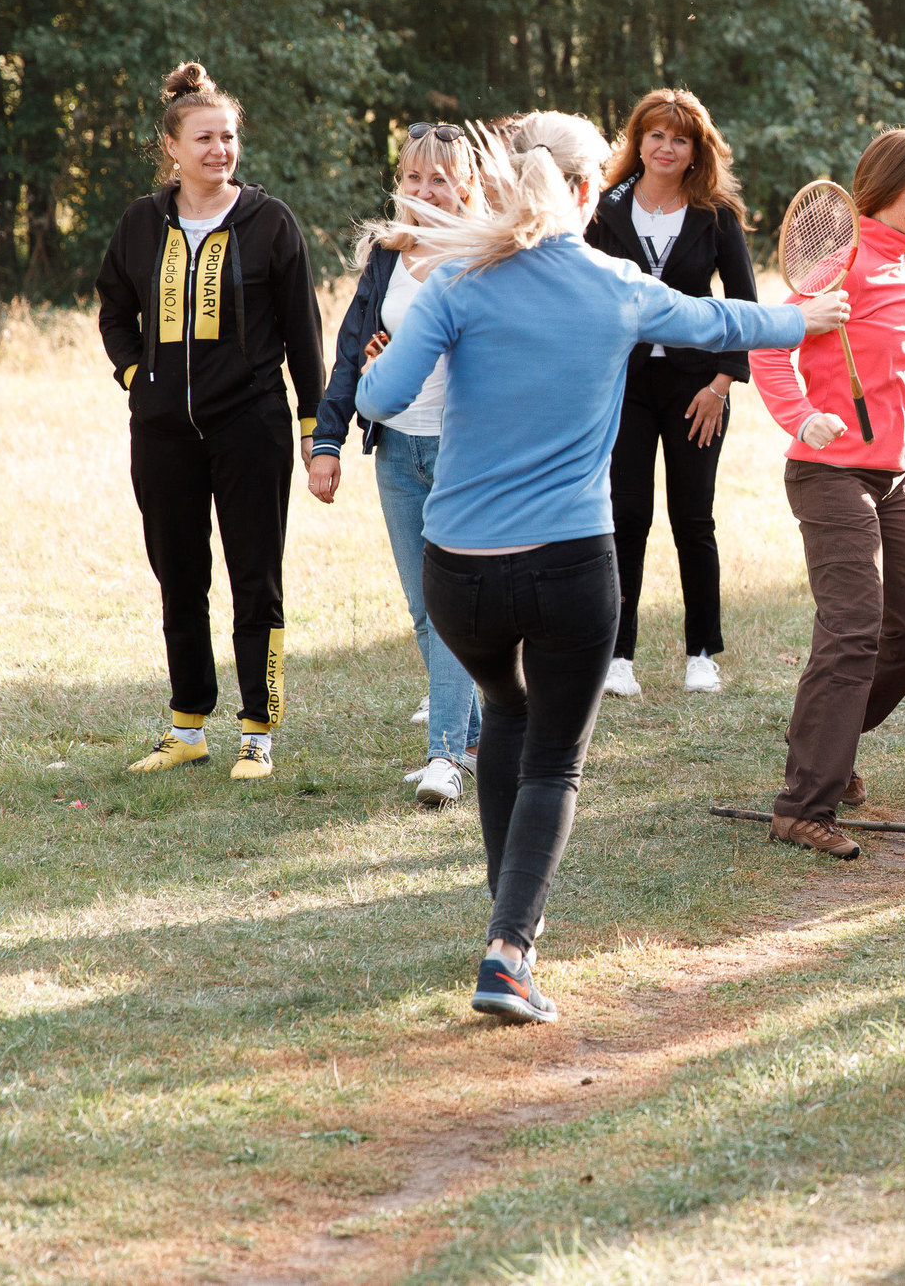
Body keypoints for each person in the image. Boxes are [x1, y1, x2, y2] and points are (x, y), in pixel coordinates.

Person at [356, 112, 840, 1022]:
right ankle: (508, 952)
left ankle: (509, 920)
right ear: (589, 192)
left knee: (508, 710)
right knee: (554, 762)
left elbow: (377, 397)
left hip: (458, 571)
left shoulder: (459, 282)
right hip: (570, 566)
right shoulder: (615, 284)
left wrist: (395, 358)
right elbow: (720, 319)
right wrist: (806, 318)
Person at [750, 129, 905, 861]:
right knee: (853, 623)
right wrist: (802, 417)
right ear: (886, 187)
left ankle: (826, 735)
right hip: (830, 472)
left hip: (893, 473)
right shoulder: (839, 262)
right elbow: (767, 344)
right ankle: (804, 803)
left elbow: (899, 362)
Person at [97, 63, 324, 782]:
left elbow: (304, 333)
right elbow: (112, 309)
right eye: (204, 137)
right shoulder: (141, 221)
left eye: (228, 136)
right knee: (180, 576)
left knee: (255, 575)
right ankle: (186, 725)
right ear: (172, 146)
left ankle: (257, 731)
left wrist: (315, 425)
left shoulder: (269, 221)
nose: (219, 149)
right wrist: (139, 378)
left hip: (250, 426)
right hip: (163, 433)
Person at [307, 124, 497, 806]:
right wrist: (326, 440)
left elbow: (498, 350)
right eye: (413, 177)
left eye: (440, 178)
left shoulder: (483, 257)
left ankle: (445, 755)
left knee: (449, 607)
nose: (424, 190)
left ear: (467, 185)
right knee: (423, 608)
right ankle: (477, 737)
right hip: (394, 447)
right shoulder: (388, 256)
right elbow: (352, 347)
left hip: (461, 451)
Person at [584, 89, 759, 699]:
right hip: (622, 385)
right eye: (655, 135)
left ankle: (702, 652)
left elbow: (744, 305)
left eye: (679, 139)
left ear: (695, 152)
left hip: (697, 388)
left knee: (694, 518)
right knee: (625, 517)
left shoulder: (716, 215)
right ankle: (617, 657)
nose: (665, 147)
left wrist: (721, 383)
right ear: (638, 141)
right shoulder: (601, 210)